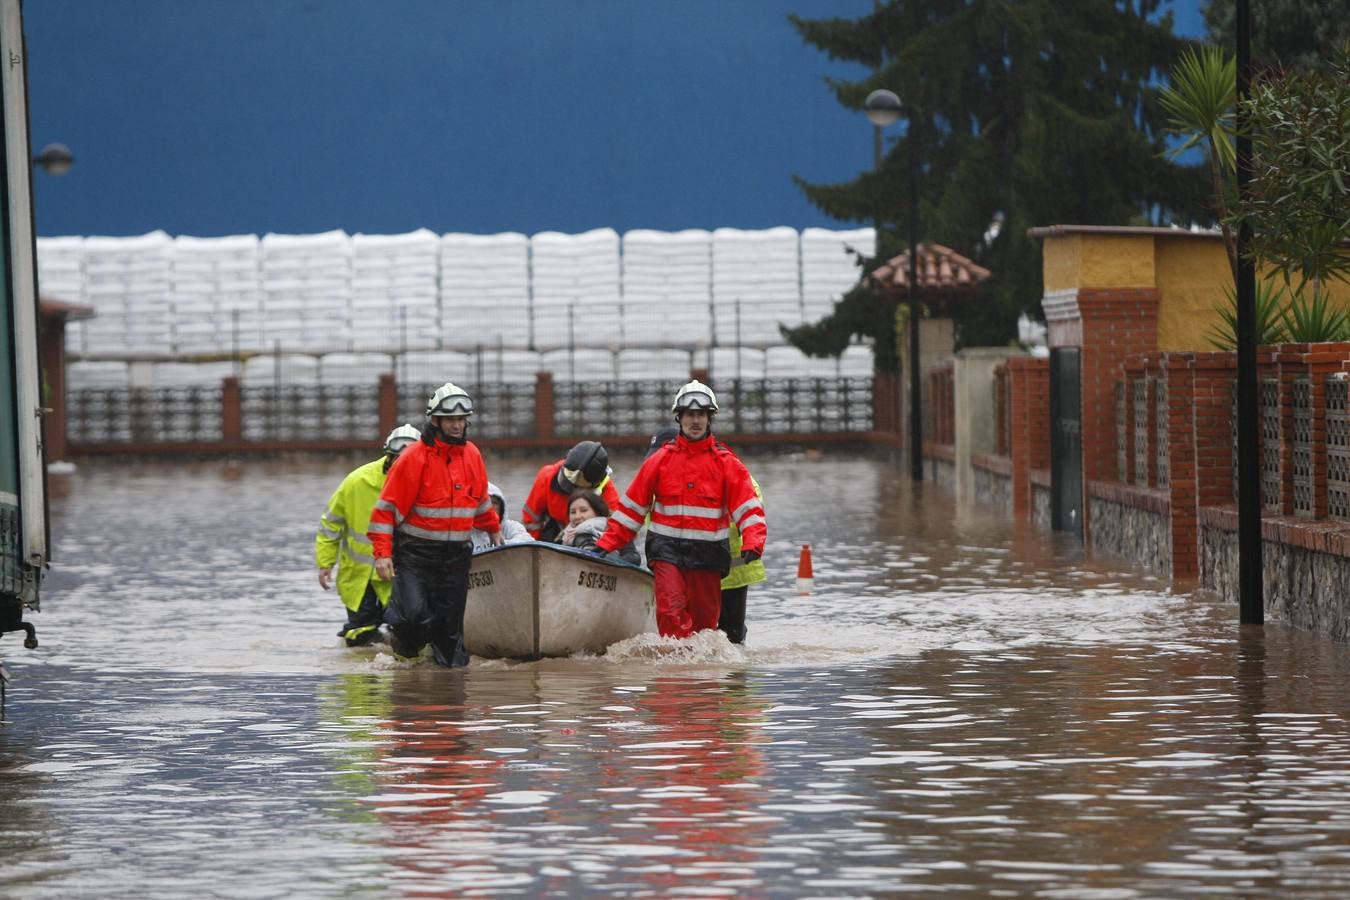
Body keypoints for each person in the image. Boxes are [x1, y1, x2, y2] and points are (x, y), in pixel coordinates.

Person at [595, 380, 765, 638]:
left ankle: (701, 678)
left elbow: (748, 507)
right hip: (668, 554)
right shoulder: (659, 461)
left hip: (708, 558)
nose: (695, 421)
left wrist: (753, 541)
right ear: (679, 418)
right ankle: (674, 677)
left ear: (709, 419)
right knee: (672, 617)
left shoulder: (727, 464)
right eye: (689, 415)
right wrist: (606, 544)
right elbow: (631, 509)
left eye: (700, 415)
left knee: (705, 630)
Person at [368, 382, 501, 667]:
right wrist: (382, 554)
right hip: (416, 554)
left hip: (456, 555)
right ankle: (404, 650)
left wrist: (493, 528)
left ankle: (450, 695)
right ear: (436, 420)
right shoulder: (414, 457)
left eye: (462, 419)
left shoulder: (472, 455)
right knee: (414, 617)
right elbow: (385, 511)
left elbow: (480, 501)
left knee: (450, 631)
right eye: (451, 419)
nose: (457, 425)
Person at [644, 423, 764, 644]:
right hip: (686, 569)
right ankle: (690, 677)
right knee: (685, 636)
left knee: (731, 639)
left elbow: (753, 509)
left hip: (731, 574)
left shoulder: (727, 470)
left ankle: (731, 677)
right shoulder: (658, 483)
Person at [315, 423, 420, 646]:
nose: (402, 466)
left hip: (403, 574)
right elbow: (330, 525)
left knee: (409, 636)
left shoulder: (425, 483)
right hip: (360, 577)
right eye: (397, 459)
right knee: (360, 636)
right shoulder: (357, 481)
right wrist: (325, 564)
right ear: (388, 456)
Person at [522, 440, 622, 542]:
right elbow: (531, 520)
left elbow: (618, 528)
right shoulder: (547, 477)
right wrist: (532, 547)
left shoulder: (607, 492)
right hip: (556, 530)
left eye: (579, 487)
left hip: (592, 536)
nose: (571, 490)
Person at [559, 489, 641, 565]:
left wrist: (608, 563)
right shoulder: (564, 538)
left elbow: (634, 558)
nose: (577, 516)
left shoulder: (615, 530)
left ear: (597, 511)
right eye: (573, 512)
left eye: (584, 510)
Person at [471, 482, 533, 551]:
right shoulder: (465, 532)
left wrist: (498, 544)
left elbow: (529, 542)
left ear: (502, 507)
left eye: (494, 502)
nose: (489, 507)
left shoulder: (510, 526)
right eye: (484, 504)